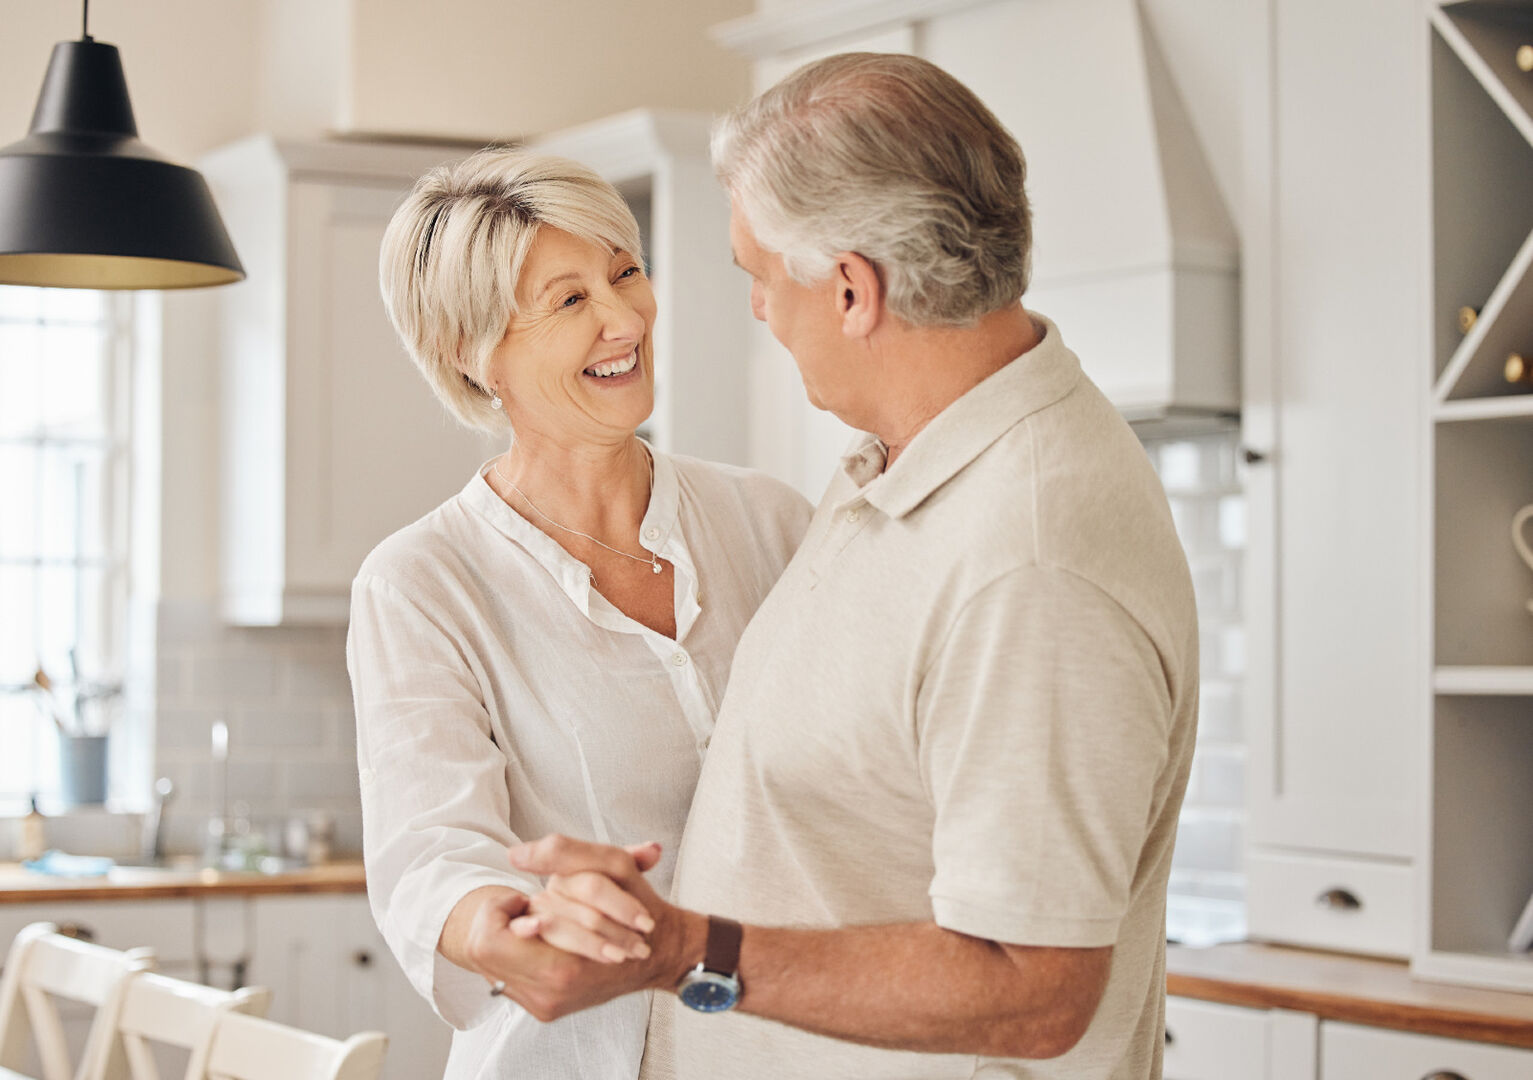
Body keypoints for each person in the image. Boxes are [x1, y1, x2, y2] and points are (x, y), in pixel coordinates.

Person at [484, 52, 1201, 1080]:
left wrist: (690, 952)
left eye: (761, 276)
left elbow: (1036, 987)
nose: (760, 309)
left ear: (855, 290)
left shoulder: (1031, 559)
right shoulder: (903, 461)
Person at [346, 149, 812, 1079]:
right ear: (472, 353)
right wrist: (503, 926)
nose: (623, 318)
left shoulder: (772, 523)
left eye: (624, 272)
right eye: (568, 301)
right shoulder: (421, 583)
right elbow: (430, 852)